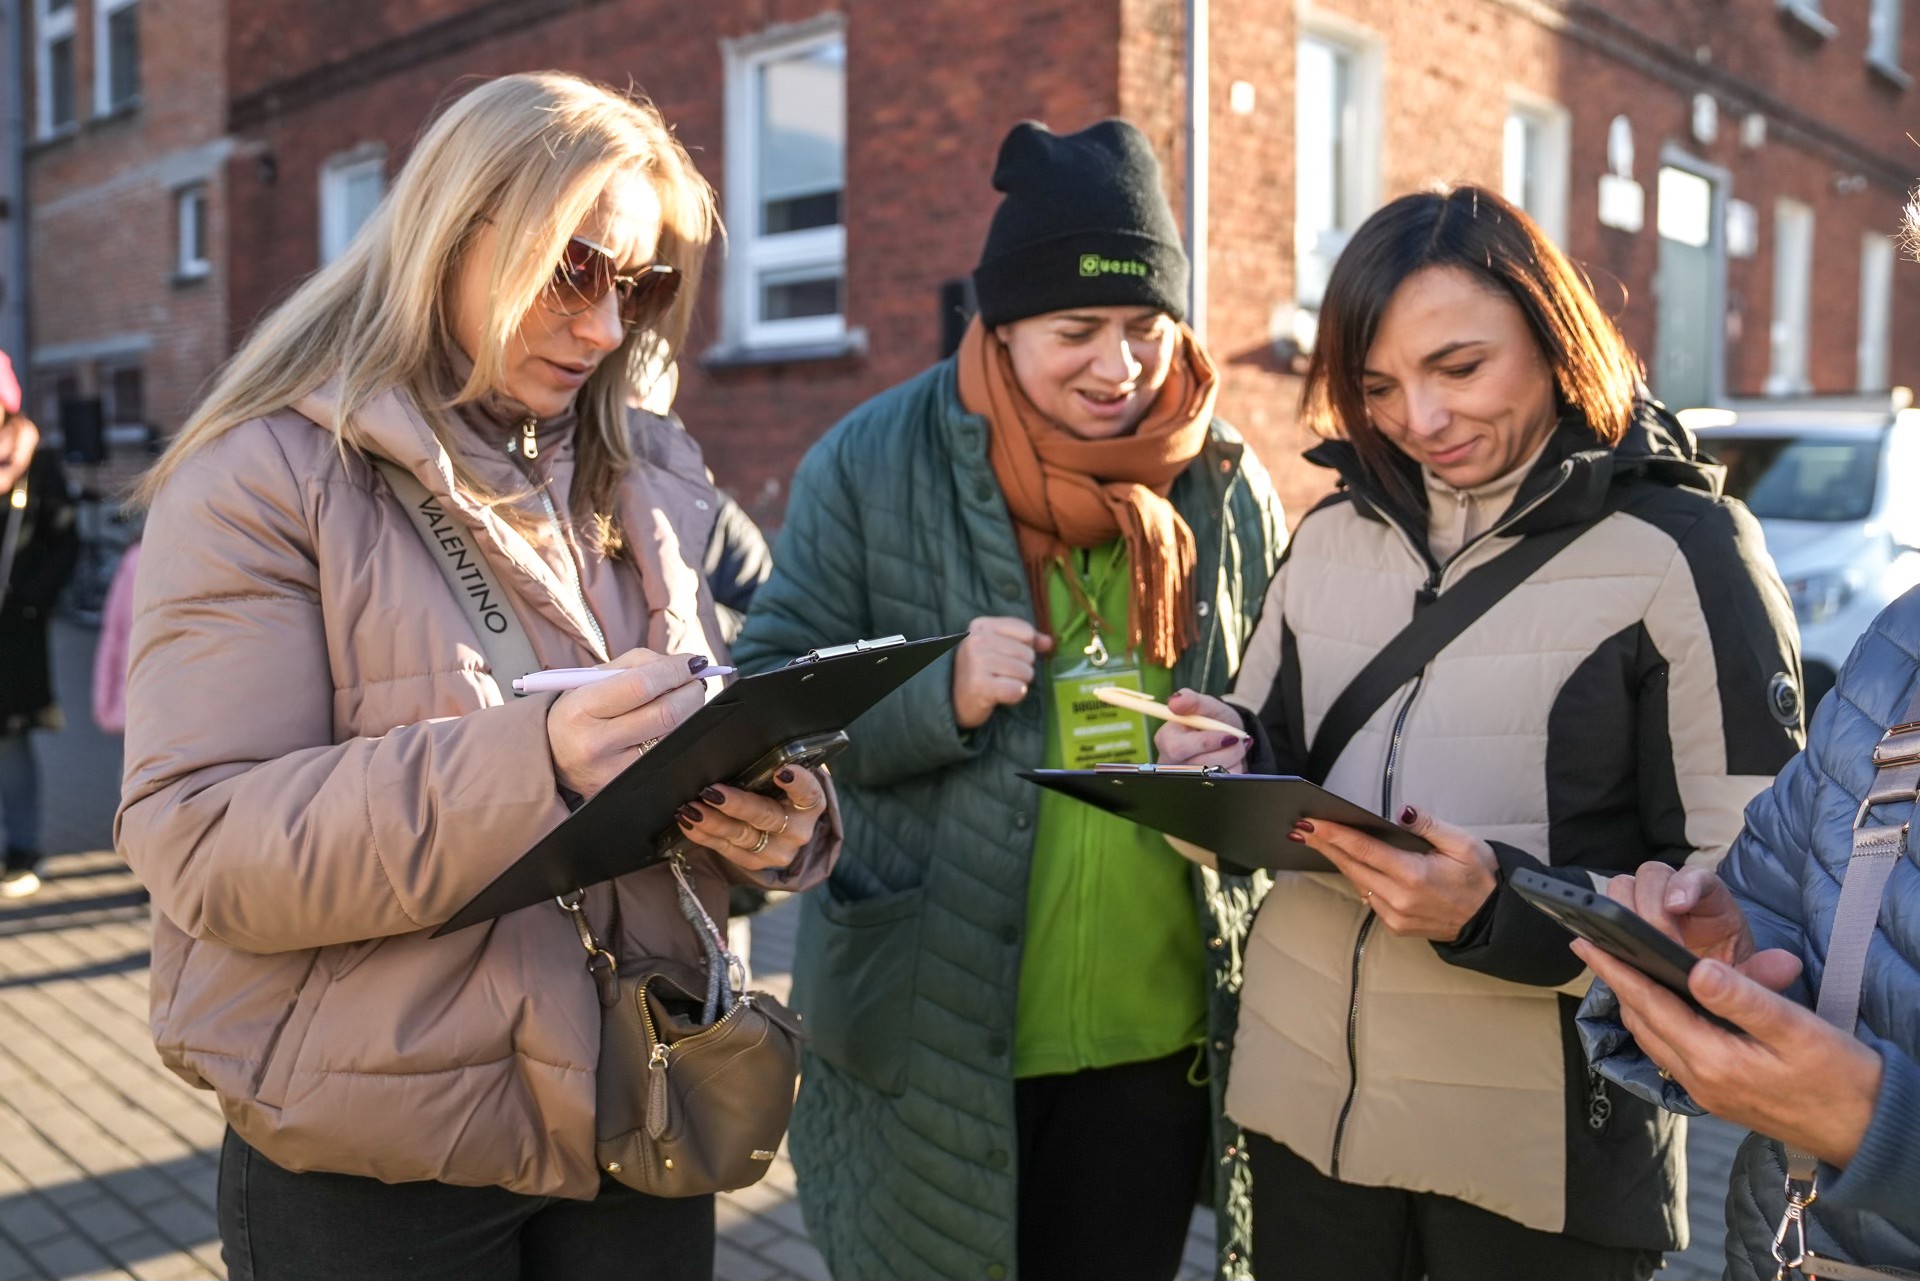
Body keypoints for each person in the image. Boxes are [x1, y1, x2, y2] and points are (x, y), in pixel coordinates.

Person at [118, 72, 838, 1281]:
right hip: (375, 1151)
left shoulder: (652, 472)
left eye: (642, 284)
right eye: (574, 269)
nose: (608, 327)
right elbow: (200, 844)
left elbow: (701, 728)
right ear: (449, 228)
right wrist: (539, 765)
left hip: (638, 1110)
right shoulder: (264, 478)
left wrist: (781, 825)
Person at [1155, 185, 1803, 1280]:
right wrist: (1211, 764)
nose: (1420, 419)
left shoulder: (1686, 552)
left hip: (1541, 1169)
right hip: (1306, 1122)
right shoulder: (1330, 537)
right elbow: (1268, 755)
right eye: (1378, 386)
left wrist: (1501, 913)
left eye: (1459, 368)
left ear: (1557, 341)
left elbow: (1756, 908)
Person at [732, 119, 1286, 1281]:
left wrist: (1243, 748)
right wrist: (930, 692)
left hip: (1158, 1035)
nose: (1118, 366)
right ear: (999, 323)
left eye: (1146, 327)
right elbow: (762, 704)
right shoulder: (872, 460)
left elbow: (1290, 713)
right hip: (933, 1021)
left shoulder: (1227, 482)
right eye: (1075, 331)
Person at [1579, 589, 1920, 1278]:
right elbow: (1781, 892)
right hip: (1784, 1249)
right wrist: (1720, 966)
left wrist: (1881, 1132)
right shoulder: (1901, 640)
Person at [0, 351, 79, 899]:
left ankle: (23, 851)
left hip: (14, 632)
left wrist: (31, 599)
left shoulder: (36, 462)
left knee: (11, 739)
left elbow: (65, 541)